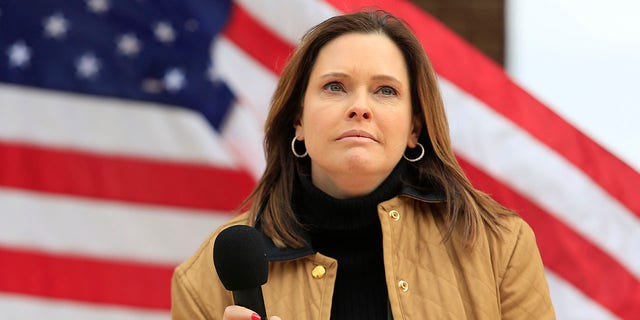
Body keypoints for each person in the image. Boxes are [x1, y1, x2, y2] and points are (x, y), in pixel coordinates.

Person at [171, 10, 555, 320]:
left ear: (413, 128)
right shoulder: (205, 276)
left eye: (385, 90)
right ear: (298, 120)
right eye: (334, 86)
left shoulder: (500, 246)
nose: (360, 107)